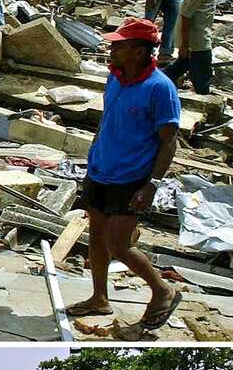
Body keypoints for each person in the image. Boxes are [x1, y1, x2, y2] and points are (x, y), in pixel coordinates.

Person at [67, 17, 183, 331]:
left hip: (131, 178)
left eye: (120, 45)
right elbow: (107, 120)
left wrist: (152, 184)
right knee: (96, 237)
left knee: (119, 244)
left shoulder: (160, 89)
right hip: (101, 169)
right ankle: (99, 298)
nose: (112, 49)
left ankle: (163, 290)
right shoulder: (115, 78)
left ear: (140, 51)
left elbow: (168, 142)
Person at [166, 0, 233, 94]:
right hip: (198, 42)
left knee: (177, 69)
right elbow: (186, 16)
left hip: (198, 39)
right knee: (203, 77)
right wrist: (185, 45)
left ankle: (151, 85)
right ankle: (204, 101)